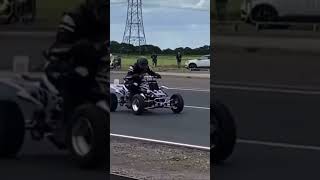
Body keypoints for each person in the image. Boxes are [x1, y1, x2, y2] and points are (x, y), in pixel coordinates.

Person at [44, 0, 109, 119]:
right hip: (67, 63)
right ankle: (66, 123)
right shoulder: (73, 18)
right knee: (78, 80)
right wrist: (79, 47)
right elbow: (56, 48)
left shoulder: (109, 22)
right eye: (104, 9)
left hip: (96, 65)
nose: (106, 14)